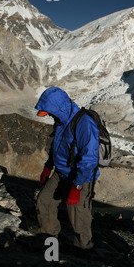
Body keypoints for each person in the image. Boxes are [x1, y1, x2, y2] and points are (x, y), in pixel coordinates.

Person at [35, 86, 100, 250]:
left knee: (77, 214)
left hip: (81, 177)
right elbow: (57, 147)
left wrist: (77, 186)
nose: (48, 115)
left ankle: (84, 249)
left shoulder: (84, 123)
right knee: (45, 201)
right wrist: (48, 166)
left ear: (57, 108)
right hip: (61, 173)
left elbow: (90, 158)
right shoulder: (60, 121)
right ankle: (49, 240)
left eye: (49, 112)